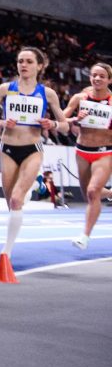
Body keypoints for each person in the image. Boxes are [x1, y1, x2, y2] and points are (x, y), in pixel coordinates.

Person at [0, 47, 68, 266]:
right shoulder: (5, 89)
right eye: (20, 61)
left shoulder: (47, 93)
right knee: (12, 204)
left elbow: (65, 126)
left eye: (28, 61)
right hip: (8, 149)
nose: (23, 65)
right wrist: (0, 123)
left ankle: (5, 254)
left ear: (39, 65)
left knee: (17, 199)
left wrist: (52, 124)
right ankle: (33, 187)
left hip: (32, 149)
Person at [63, 63, 112, 248]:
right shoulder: (79, 98)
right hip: (82, 151)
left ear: (109, 79)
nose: (97, 78)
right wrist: (75, 119)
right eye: (94, 75)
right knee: (89, 195)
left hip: (105, 152)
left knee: (93, 192)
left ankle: (84, 237)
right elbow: (62, 120)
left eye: (101, 76)